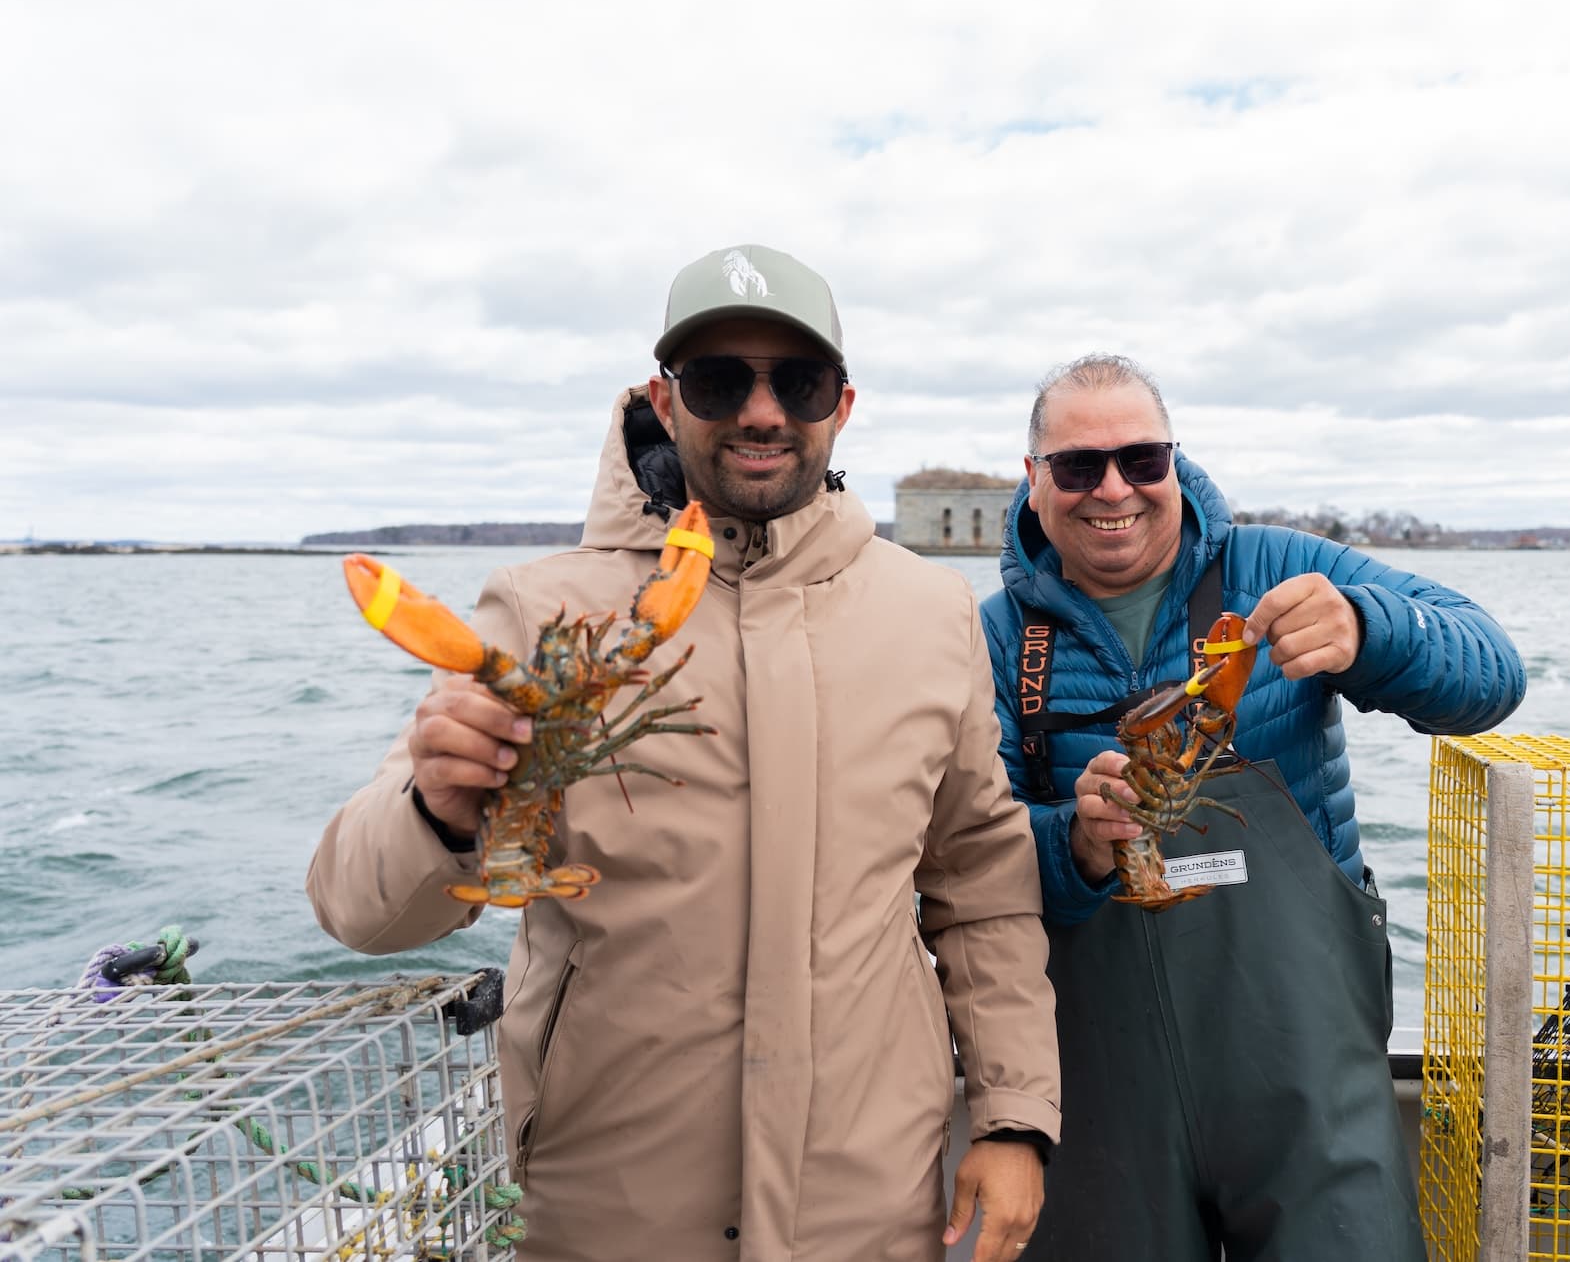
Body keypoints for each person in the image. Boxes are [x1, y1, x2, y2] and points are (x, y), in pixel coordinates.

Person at [308, 245, 1060, 1262]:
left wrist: (1012, 1116)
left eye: (793, 381)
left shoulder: (929, 611)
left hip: (870, 1195)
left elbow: (978, 879)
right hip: (608, 1202)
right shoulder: (540, 610)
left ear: (841, 404)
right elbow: (362, 913)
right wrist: (435, 811)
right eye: (717, 380)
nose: (759, 412)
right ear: (664, 402)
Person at [978, 354, 1526, 1260]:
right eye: (1077, 466)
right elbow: (972, 863)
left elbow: (1492, 673)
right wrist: (1072, 841)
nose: (1112, 487)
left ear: (1175, 461)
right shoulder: (996, 638)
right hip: (1101, 1081)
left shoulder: (1277, 565)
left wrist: (1368, 631)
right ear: (1033, 481)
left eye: (1141, 459)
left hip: (1303, 1057)